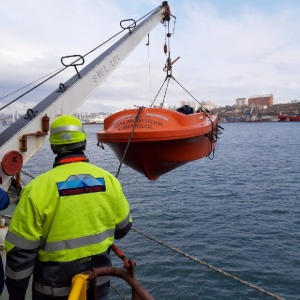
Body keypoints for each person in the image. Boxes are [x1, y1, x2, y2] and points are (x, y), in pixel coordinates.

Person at [5, 115, 132, 300]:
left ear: (53, 148)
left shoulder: (37, 188)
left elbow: (20, 253)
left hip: (52, 291)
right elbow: (122, 228)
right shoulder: (109, 180)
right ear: (84, 144)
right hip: (97, 285)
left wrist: (16, 295)